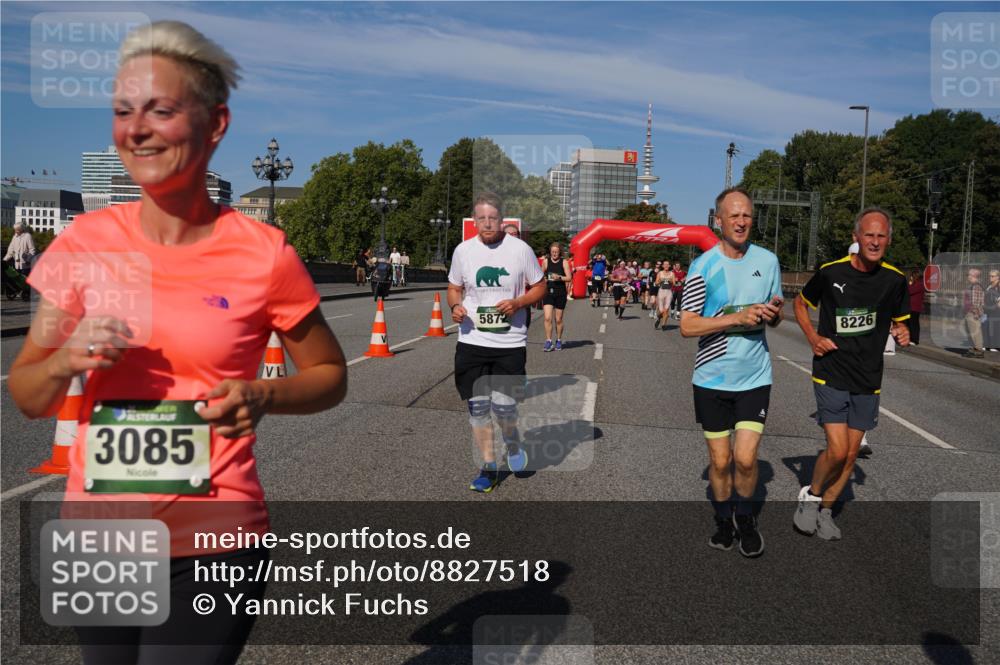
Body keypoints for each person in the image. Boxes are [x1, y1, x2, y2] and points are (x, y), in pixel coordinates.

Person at [6, 21, 348, 664]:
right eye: (122, 110)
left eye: (161, 109)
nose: (136, 128)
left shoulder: (263, 252)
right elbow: (26, 392)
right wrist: (67, 356)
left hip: (215, 542)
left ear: (215, 124)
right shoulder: (82, 245)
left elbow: (331, 371)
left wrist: (265, 395)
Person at [792, 207, 910, 541]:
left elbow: (901, 320)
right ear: (856, 238)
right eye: (869, 235)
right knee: (839, 449)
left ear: (888, 239)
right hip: (831, 370)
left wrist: (902, 331)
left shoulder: (895, 279)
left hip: (869, 377)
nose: (875, 241)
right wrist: (813, 338)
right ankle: (811, 496)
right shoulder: (831, 273)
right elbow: (800, 304)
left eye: (881, 236)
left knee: (851, 455)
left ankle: (826, 511)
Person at [680, 188, 782, 558]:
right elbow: (688, 326)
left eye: (747, 216)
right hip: (712, 378)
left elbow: (775, 308)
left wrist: (774, 312)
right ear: (718, 220)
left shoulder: (768, 261)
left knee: (745, 458)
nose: (741, 222)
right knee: (721, 462)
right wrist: (736, 318)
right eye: (734, 216)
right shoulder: (702, 266)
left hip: (755, 376)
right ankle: (724, 520)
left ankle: (746, 518)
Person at [448, 193, 545, 493]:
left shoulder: (520, 250)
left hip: (509, 344)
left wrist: (518, 302)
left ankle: (513, 444)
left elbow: (540, 286)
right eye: (481, 218)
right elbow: (454, 288)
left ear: (502, 220)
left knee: (504, 410)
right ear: (475, 221)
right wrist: (455, 307)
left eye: (493, 218)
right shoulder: (463, 251)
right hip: (472, 340)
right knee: (477, 410)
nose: (487, 223)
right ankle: (488, 468)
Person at [541, 242, 571, 351]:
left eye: (556, 252)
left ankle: (558, 340)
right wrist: (543, 279)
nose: (554, 254)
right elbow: (540, 275)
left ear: (560, 252)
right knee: (547, 317)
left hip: (560, 293)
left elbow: (569, 277)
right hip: (548, 292)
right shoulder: (545, 262)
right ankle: (548, 341)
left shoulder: (564, 262)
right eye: (553, 252)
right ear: (550, 252)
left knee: (558, 319)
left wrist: (559, 277)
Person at [962, 268, 986, 358]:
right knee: (972, 332)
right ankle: (975, 349)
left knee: (976, 332)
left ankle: (978, 350)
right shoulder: (973, 286)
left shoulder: (975, 286)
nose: (968, 276)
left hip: (973, 313)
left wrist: (975, 314)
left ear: (973, 276)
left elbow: (976, 302)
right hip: (970, 312)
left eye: (969, 275)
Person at [654, 262, 675, 330]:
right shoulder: (660, 273)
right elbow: (656, 282)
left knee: (666, 309)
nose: (666, 266)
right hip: (661, 292)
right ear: (663, 266)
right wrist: (661, 281)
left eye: (667, 264)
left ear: (669, 266)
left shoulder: (672, 273)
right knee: (661, 310)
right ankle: (659, 317)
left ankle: (663, 325)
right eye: (665, 264)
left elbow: (674, 283)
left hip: (669, 292)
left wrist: (670, 281)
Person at [908, 268, 925, 346]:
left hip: (915, 307)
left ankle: (914, 339)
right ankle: (911, 338)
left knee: (913, 324)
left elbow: (909, 291)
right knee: (910, 323)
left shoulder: (919, 284)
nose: (910, 277)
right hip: (912, 307)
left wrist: (910, 283)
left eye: (912, 276)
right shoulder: (916, 284)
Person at [986, 269, 1000, 352]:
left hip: (996, 314)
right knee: (990, 333)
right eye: (990, 276)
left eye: (992, 276)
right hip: (989, 313)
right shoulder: (990, 286)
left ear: (998, 277)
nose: (990, 278)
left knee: (995, 333)